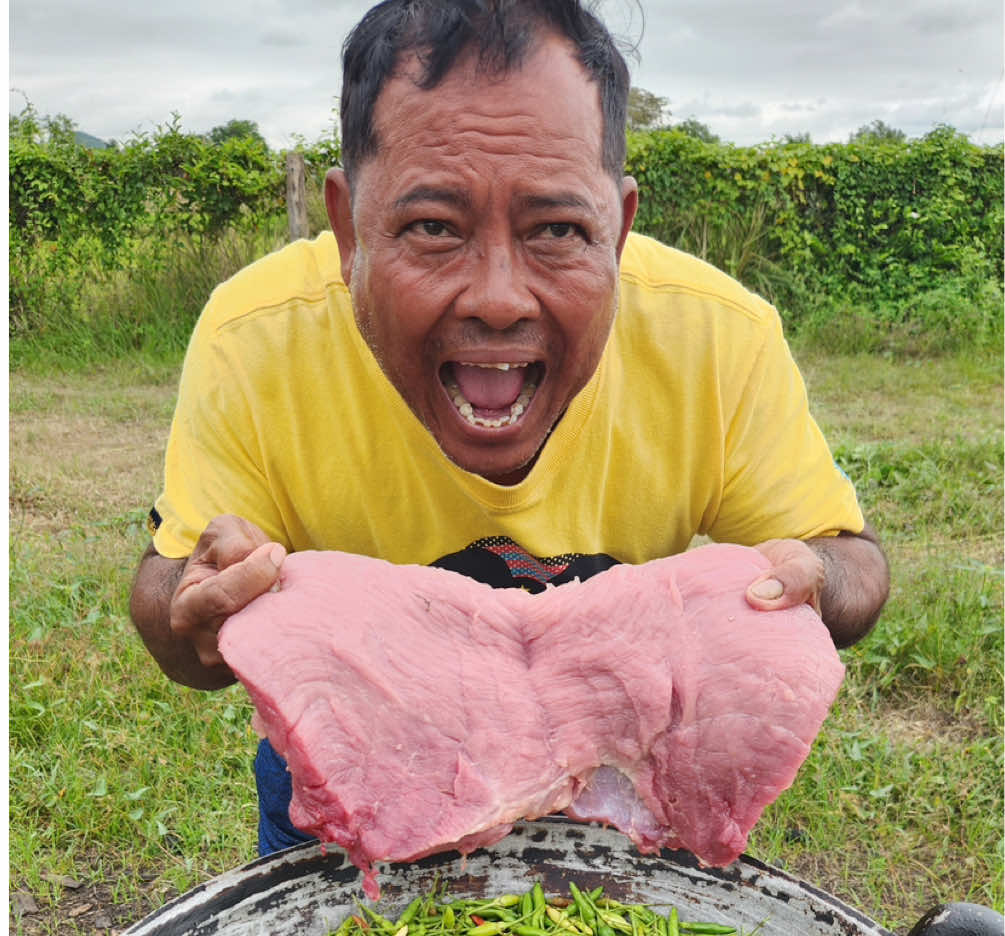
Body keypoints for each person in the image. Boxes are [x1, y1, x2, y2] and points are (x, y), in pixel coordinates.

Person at [130, 0, 889, 857]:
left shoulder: (716, 334)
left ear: (620, 228)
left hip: (620, 777)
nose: (498, 297)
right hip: (357, 770)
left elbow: (853, 563)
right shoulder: (257, 336)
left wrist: (810, 576)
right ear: (347, 230)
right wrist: (198, 601)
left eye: (557, 230)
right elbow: (171, 602)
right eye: (432, 228)